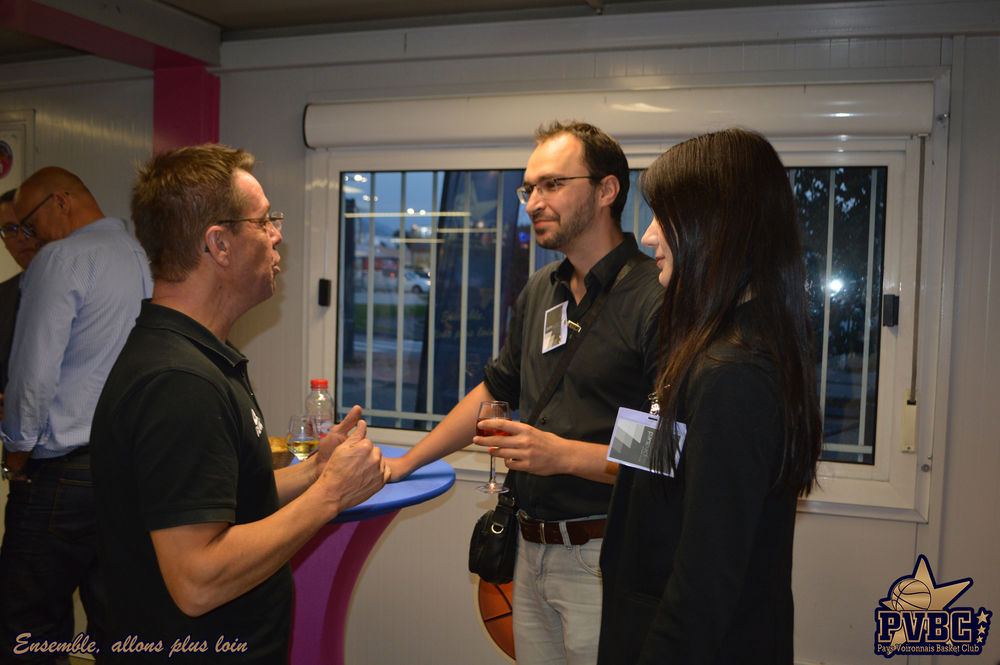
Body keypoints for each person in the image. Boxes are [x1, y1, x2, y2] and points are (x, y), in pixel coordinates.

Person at [89, 144, 389, 663]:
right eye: (264, 221)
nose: (277, 235)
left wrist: (316, 471)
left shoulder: (201, 358)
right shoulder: (179, 383)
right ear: (220, 245)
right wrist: (330, 496)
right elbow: (197, 581)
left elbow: (230, 499)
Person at [388, 121, 663, 665]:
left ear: (607, 191)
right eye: (529, 188)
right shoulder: (543, 289)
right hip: (529, 549)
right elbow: (495, 389)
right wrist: (404, 464)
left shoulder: (651, 295)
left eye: (553, 184)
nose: (534, 202)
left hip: (605, 554)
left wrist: (561, 455)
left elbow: (663, 446)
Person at [597, 128, 823, 665]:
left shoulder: (734, 372)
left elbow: (705, 580)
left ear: (715, 225)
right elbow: (657, 468)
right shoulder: (707, 343)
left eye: (663, 217)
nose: (648, 236)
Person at [0, 168, 154, 662]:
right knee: (118, 628)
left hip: (61, 476)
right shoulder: (141, 255)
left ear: (60, 202)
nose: (29, 238)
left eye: (29, 224)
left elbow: (32, 376)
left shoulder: (61, 259)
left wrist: (16, 456)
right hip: (128, 472)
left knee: (28, 632)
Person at [0, 188, 43, 420]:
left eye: (28, 226)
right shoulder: (3, 295)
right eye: (10, 229)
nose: (21, 237)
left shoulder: (82, 289)